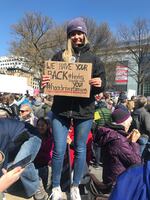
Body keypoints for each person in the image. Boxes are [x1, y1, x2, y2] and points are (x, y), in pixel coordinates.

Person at [42, 17, 106, 200]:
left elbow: (102, 84)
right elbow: (49, 79)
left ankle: (75, 185)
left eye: (79, 33)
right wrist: (45, 81)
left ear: (85, 35)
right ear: (69, 37)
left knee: (80, 150)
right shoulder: (59, 56)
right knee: (59, 150)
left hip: (84, 111)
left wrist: (99, 83)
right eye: (73, 34)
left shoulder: (95, 59)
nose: (76, 37)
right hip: (60, 111)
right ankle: (55, 187)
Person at [94, 109, 141, 194]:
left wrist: (127, 140)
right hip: (119, 182)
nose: (130, 125)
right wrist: (133, 143)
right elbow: (136, 162)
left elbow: (118, 153)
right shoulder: (118, 139)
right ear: (123, 122)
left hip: (111, 177)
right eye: (129, 122)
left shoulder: (112, 135)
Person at [0, 117, 48, 200]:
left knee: (19, 165)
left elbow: (2, 159)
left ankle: (36, 185)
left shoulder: (2, 132)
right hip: (14, 142)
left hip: (32, 137)